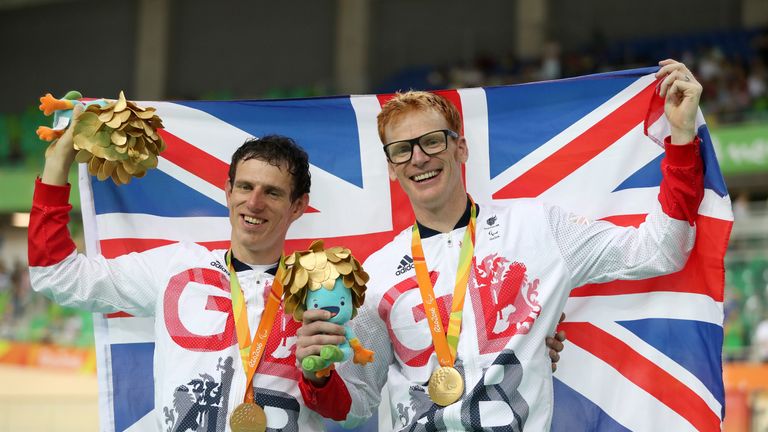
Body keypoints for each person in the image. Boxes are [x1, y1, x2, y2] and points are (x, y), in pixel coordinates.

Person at [296, 59, 705, 430]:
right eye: (402, 150)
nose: (418, 158)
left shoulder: (538, 228)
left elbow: (660, 249)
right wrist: (318, 376)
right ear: (390, 168)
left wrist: (682, 136)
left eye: (432, 141)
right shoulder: (378, 274)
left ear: (461, 147)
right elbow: (353, 406)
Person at [28, 117, 321, 430]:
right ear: (228, 191)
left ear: (298, 206)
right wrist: (58, 161)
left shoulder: (322, 290)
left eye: (272, 193)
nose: (254, 202)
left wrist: (321, 376)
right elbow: (57, 274)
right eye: (245, 187)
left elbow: (354, 410)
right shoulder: (176, 268)